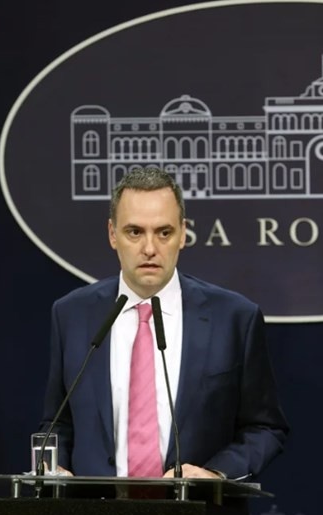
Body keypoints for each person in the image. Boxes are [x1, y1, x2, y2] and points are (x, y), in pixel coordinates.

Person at [39, 167, 289, 481]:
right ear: (112, 234)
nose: (149, 248)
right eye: (134, 232)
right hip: (96, 505)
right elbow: (57, 424)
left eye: (164, 232)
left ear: (183, 233)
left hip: (196, 506)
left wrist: (215, 473)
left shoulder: (234, 319)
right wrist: (55, 467)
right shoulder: (72, 315)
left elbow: (265, 427)